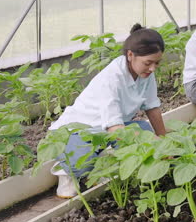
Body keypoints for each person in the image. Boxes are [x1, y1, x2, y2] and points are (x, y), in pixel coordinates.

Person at [49, 24, 168, 198]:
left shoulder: (145, 74)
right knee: (81, 164)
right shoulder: (111, 78)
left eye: (157, 63)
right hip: (77, 132)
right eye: (148, 63)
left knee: (142, 129)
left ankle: (102, 162)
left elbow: (152, 107)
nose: (152, 68)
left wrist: (164, 140)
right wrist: (154, 142)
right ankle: (65, 171)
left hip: (106, 130)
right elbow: (114, 128)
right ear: (130, 55)